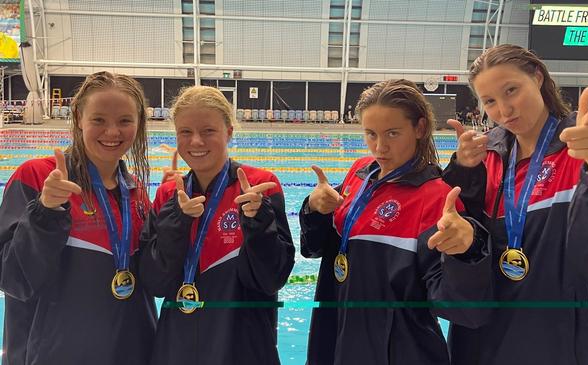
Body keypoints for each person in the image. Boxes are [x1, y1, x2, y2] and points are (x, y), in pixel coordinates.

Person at [443, 44, 588, 365]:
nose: (504, 110)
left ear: (537, 77)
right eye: (490, 101)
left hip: (558, 343)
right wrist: (461, 174)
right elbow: (458, 254)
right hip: (480, 343)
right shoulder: (485, 160)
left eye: (511, 90)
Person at [300, 79, 492, 365]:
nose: (380, 147)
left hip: (398, 349)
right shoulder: (359, 174)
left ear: (420, 128)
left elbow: (456, 305)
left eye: (392, 133)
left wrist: (466, 250)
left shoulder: (435, 196)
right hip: (337, 333)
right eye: (370, 134)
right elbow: (314, 249)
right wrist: (315, 208)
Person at [0, 71, 156, 365]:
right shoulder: (36, 177)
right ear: (78, 118)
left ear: (139, 124)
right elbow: (13, 278)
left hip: (129, 353)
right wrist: (46, 211)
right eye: (99, 120)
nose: (112, 132)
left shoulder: (136, 194)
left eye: (124, 121)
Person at [139, 85, 294, 364]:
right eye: (185, 132)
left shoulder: (259, 187)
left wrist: (257, 224)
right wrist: (178, 222)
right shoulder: (167, 195)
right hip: (178, 344)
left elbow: (272, 279)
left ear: (229, 132)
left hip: (241, 346)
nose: (196, 141)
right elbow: (155, 283)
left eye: (208, 131)